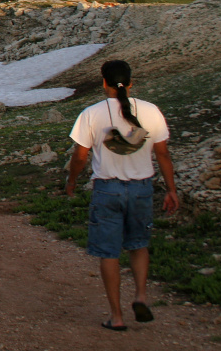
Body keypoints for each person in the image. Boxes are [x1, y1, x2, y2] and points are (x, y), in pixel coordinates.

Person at [66, 59, 179, 332]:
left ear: (103, 82)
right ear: (130, 82)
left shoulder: (91, 113)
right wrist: (172, 190)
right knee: (139, 244)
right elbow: (162, 154)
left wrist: (71, 181)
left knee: (109, 252)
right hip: (141, 188)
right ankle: (140, 296)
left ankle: (116, 316)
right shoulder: (151, 111)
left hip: (107, 189)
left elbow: (80, 156)